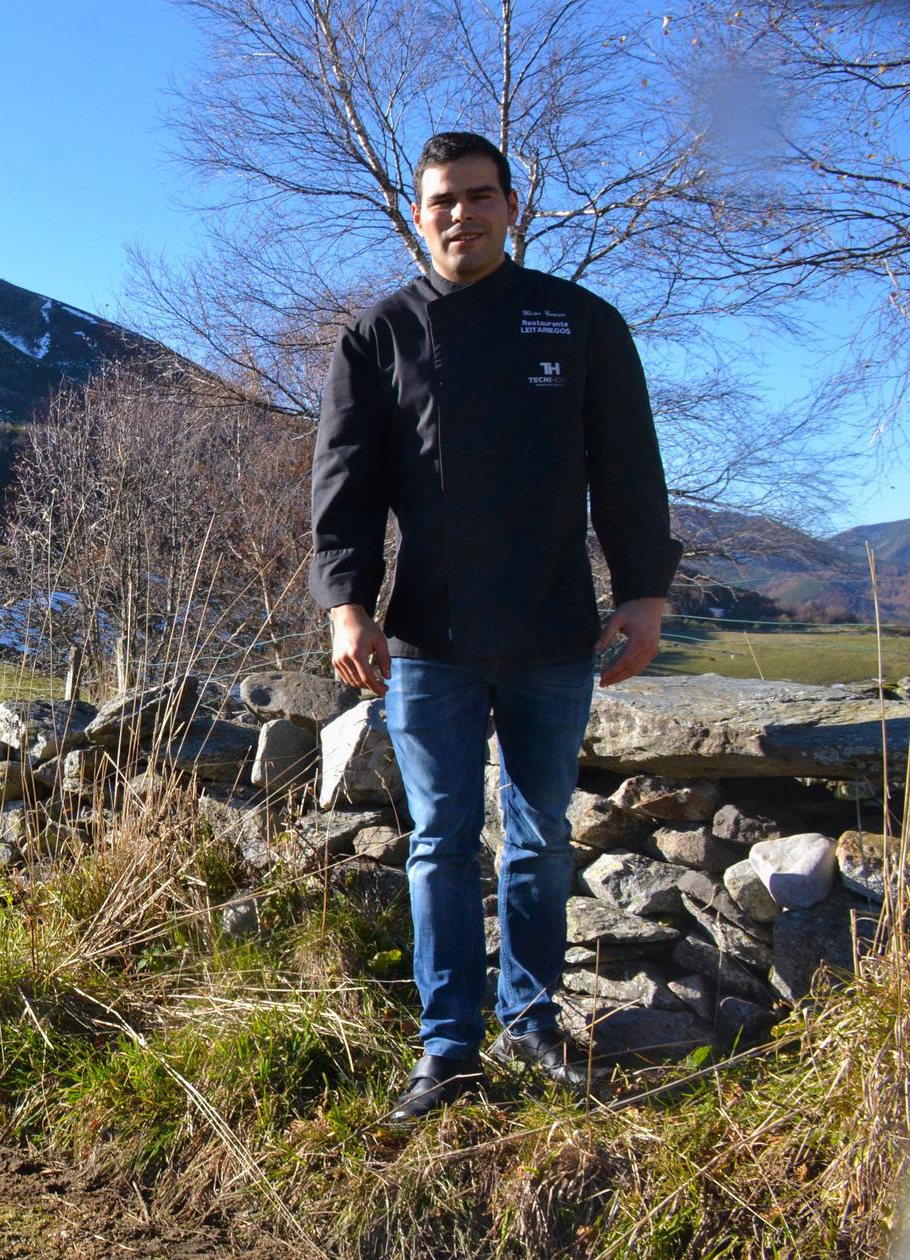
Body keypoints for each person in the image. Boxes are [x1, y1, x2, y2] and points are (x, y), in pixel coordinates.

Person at [308, 131, 681, 1126]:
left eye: (478, 196)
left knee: (536, 839)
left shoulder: (578, 323)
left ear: (511, 206)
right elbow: (344, 488)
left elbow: (627, 470)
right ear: (417, 212)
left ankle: (529, 1024)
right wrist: (346, 602)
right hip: (426, 641)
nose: (459, 215)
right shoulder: (378, 337)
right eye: (441, 200)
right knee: (437, 842)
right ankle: (445, 1049)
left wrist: (641, 593)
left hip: (555, 634)